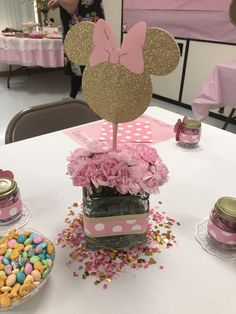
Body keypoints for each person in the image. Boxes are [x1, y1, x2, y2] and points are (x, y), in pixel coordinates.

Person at [48, 0, 105, 99]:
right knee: (84, 63)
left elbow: (71, 8)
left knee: (80, 62)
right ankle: (74, 96)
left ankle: (89, 99)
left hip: (81, 30)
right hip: (87, 28)